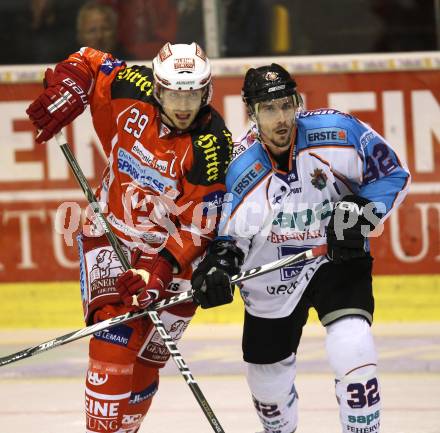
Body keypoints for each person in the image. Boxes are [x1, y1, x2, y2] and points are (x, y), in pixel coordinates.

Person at [191, 63, 411, 433]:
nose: (281, 119)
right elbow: (229, 239)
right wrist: (219, 266)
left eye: (286, 105)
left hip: (336, 258)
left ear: (298, 102)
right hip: (271, 276)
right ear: (251, 113)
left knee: (353, 346)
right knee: (267, 386)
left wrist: (361, 211)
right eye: (268, 109)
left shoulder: (339, 132)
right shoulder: (239, 168)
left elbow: (392, 174)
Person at [26, 42, 233, 432]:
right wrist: (70, 86)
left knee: (147, 363)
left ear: (207, 92)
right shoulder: (130, 86)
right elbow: (89, 59)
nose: (184, 105)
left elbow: (199, 225)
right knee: (113, 336)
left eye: (193, 94)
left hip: (175, 256)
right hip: (112, 234)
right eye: (174, 92)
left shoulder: (212, 144)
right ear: (157, 87)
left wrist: (158, 270)